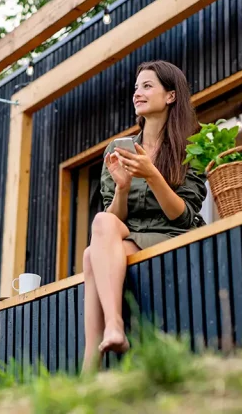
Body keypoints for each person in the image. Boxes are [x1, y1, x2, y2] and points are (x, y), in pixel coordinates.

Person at [81, 60, 208, 373]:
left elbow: (184, 216)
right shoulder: (119, 147)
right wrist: (123, 188)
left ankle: (91, 359)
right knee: (101, 222)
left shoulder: (192, 146)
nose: (138, 93)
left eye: (148, 86)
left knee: (90, 257)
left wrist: (152, 175)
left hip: (173, 235)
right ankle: (113, 328)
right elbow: (115, 217)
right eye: (136, 87)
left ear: (170, 96)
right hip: (130, 237)